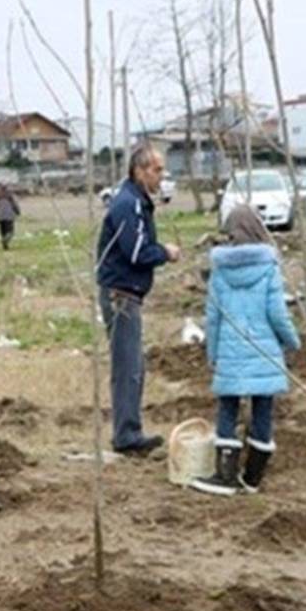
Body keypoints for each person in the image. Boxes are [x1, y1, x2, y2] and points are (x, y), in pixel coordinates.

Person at [191, 206, 301, 496]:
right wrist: (292, 341)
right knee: (262, 408)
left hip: (230, 351)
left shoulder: (219, 272)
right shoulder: (269, 268)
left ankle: (225, 477)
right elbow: (277, 313)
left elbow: (212, 319)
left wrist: (212, 354)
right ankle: (252, 478)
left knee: (228, 408)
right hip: (263, 351)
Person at [95, 144, 182, 455]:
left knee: (133, 366)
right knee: (128, 367)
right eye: (157, 170)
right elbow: (136, 252)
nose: (161, 176)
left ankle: (128, 431)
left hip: (127, 294)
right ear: (140, 171)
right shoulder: (128, 204)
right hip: (121, 295)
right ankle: (127, 437)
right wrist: (165, 252)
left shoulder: (137, 202)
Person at [0, 184, 21, 250]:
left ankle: (4, 245)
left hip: (0, 216)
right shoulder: (10, 196)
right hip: (9, 216)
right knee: (10, 232)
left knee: (3, 231)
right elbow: (14, 205)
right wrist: (17, 212)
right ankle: (6, 240)